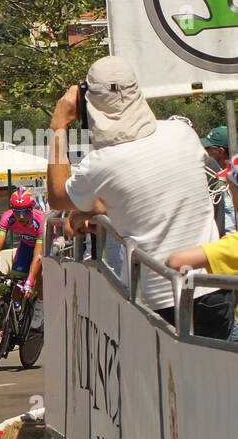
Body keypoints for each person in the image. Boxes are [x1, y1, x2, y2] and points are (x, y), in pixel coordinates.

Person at [47, 56, 230, 339]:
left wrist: (59, 127)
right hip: (211, 287)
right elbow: (149, 182)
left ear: (90, 104)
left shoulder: (100, 164)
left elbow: (58, 197)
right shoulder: (183, 133)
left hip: (155, 301)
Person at [0, 189, 44, 331]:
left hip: (44, 247)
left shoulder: (40, 221)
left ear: (31, 209)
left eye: (24, 211)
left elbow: (38, 256)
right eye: (17, 211)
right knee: (16, 283)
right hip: (26, 245)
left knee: (40, 277)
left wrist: (30, 282)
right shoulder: (7, 218)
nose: (20, 216)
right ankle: (15, 319)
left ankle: (40, 307)